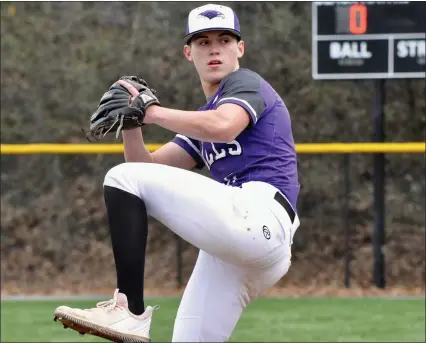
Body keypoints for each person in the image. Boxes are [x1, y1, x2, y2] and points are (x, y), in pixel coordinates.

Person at [53, 3, 301, 342]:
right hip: (239, 247)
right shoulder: (204, 115)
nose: (214, 47)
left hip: (261, 216)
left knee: (119, 178)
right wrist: (132, 122)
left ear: (240, 48)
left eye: (225, 39)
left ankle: (129, 311)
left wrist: (152, 112)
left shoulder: (245, 83)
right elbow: (145, 170)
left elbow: (225, 127)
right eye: (202, 41)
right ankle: (130, 316)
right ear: (188, 52)